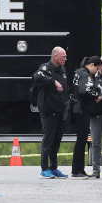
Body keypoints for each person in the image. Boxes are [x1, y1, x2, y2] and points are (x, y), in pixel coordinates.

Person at [34, 47, 70, 179]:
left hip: (60, 111)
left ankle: (54, 167)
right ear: (55, 56)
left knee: (57, 140)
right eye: (63, 56)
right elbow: (37, 77)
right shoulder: (45, 68)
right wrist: (53, 81)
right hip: (49, 111)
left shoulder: (62, 69)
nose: (65, 59)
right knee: (48, 140)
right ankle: (44, 168)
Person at [69, 56, 102, 178]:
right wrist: (97, 94)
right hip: (81, 109)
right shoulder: (86, 75)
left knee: (81, 140)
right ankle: (77, 170)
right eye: (97, 68)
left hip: (76, 108)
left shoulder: (79, 72)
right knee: (82, 140)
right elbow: (85, 90)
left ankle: (78, 169)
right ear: (92, 65)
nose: (97, 71)